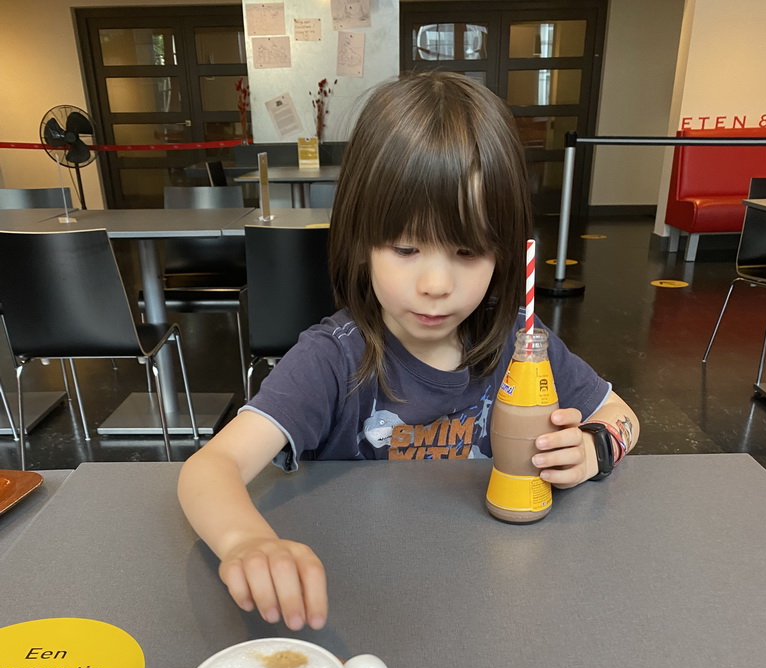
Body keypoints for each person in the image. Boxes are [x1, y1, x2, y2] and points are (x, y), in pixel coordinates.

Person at [178, 71, 640, 631]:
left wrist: (596, 448)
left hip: (496, 603)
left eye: (468, 250)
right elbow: (211, 467)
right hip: (361, 603)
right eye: (405, 247)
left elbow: (621, 416)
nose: (436, 284)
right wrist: (245, 540)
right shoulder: (333, 358)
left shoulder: (521, 342)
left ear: (503, 252)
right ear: (360, 240)